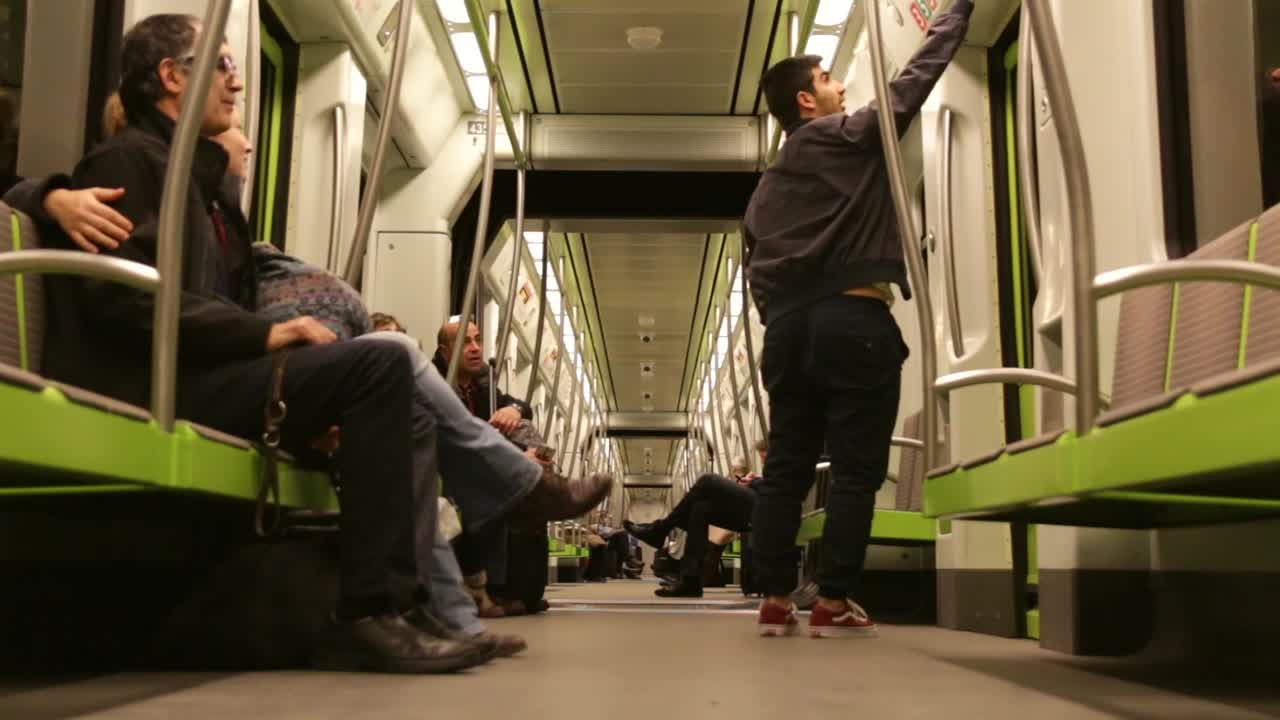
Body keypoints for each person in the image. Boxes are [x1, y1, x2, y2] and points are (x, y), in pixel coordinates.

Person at [743, 0, 972, 638]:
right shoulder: (841, 137)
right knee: (853, 468)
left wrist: (786, 314)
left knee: (787, 465)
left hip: (787, 332)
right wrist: (956, 15)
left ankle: (773, 596)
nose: (841, 84)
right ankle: (834, 597)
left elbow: (754, 266)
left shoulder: (764, 189)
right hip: (853, 321)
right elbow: (910, 88)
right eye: (827, 79)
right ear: (806, 103)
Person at [627, 440, 767, 598]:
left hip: (766, 507)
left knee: (708, 480)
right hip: (756, 506)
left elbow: (780, 489)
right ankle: (690, 580)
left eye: (766, 451)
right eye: (762, 452)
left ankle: (660, 530)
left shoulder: (784, 461)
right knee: (699, 508)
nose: (762, 456)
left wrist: (754, 482)